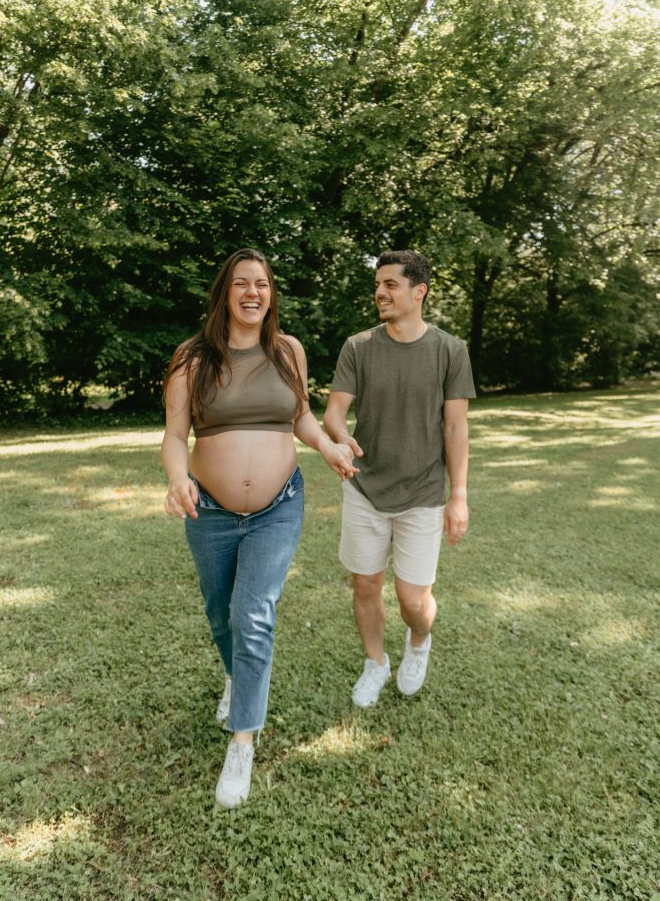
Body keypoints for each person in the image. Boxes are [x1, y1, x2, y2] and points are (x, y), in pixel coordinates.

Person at [161, 247, 357, 808]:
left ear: (271, 294)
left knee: (253, 615)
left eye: (263, 284)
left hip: (279, 504)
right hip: (211, 510)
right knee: (219, 611)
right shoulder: (192, 359)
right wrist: (178, 477)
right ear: (225, 292)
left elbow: (299, 419)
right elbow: (176, 435)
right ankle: (236, 679)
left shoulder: (287, 351)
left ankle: (242, 740)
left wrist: (328, 446)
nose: (254, 292)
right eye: (242, 283)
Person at [323, 249, 475, 708]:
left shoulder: (450, 350)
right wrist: (339, 438)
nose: (380, 293)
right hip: (365, 488)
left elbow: (455, 426)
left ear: (418, 291)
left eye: (390, 284)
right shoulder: (360, 346)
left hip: (424, 492)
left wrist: (459, 496)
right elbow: (334, 411)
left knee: (414, 599)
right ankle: (376, 663)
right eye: (378, 284)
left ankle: (418, 643)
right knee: (366, 585)